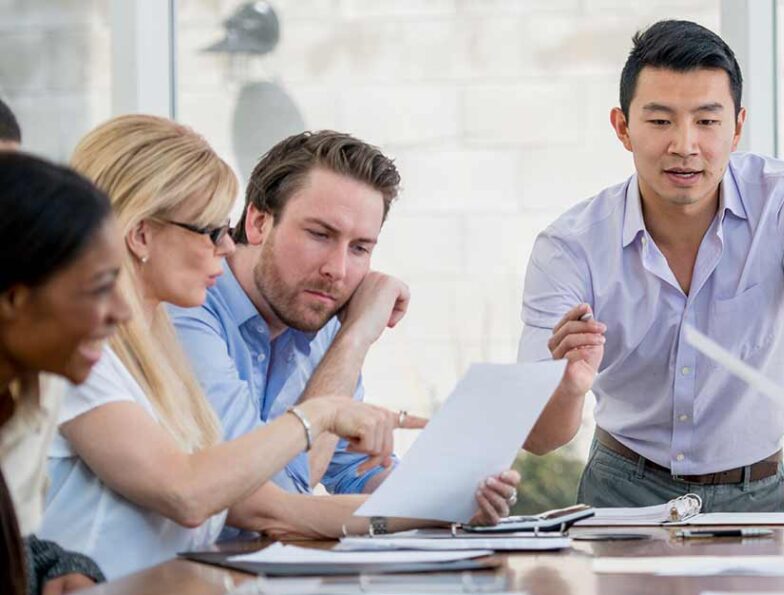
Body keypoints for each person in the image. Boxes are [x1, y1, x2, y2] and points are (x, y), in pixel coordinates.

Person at [37, 116, 519, 580]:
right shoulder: (89, 351)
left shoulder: (154, 344)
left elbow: (275, 506)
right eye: (210, 232)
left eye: (360, 248)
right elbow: (201, 493)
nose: (225, 249)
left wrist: (446, 501)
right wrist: (326, 406)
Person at [516, 19, 784, 511]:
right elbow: (541, 438)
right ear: (622, 128)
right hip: (622, 491)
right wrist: (568, 387)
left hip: (760, 493)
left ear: (737, 127)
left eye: (707, 121)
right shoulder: (569, 246)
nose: (685, 145)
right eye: (660, 121)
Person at [169, 130, 484, 501]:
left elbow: (353, 471)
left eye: (360, 248)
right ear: (257, 223)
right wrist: (355, 337)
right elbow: (272, 492)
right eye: (320, 234)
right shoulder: (187, 308)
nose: (337, 270)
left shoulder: (315, 315)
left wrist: (455, 497)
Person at [0, 152, 126, 593]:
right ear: (13, 299)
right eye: (99, 289)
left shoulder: (21, 399)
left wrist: (58, 566)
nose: (122, 312)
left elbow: (14, 541)